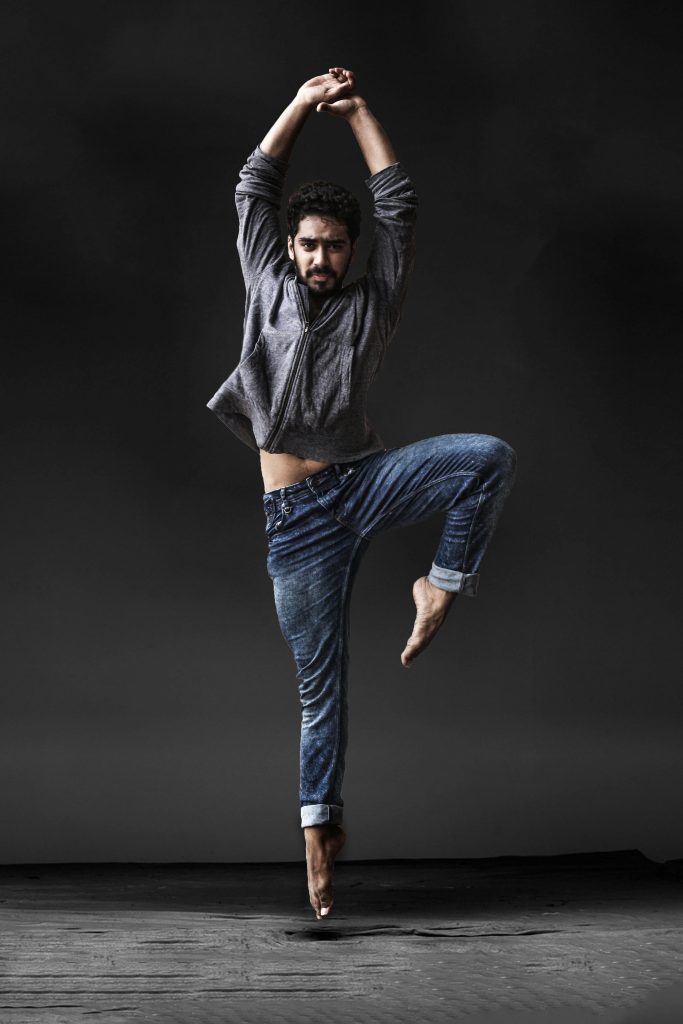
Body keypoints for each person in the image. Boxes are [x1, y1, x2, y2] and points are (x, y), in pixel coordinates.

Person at [208, 68, 517, 920]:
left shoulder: (372, 301)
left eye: (331, 245)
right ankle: (319, 834)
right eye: (306, 244)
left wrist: (361, 113)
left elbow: (397, 205)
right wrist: (303, 106)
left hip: (362, 484)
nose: (317, 257)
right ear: (289, 248)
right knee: (321, 690)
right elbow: (252, 186)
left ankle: (439, 584)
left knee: (485, 457)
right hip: (296, 524)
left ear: (349, 252)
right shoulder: (265, 284)